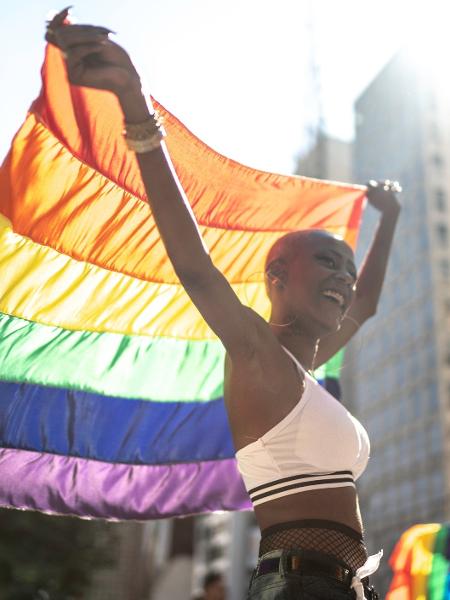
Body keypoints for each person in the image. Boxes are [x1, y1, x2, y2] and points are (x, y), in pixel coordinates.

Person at [46, 10, 401, 599]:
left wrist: (388, 221)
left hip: (338, 587)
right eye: (327, 262)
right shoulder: (258, 356)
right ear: (279, 275)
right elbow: (195, 267)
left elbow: (364, 305)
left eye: (347, 265)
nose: (343, 278)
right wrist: (137, 108)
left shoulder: (299, 373)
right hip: (301, 588)